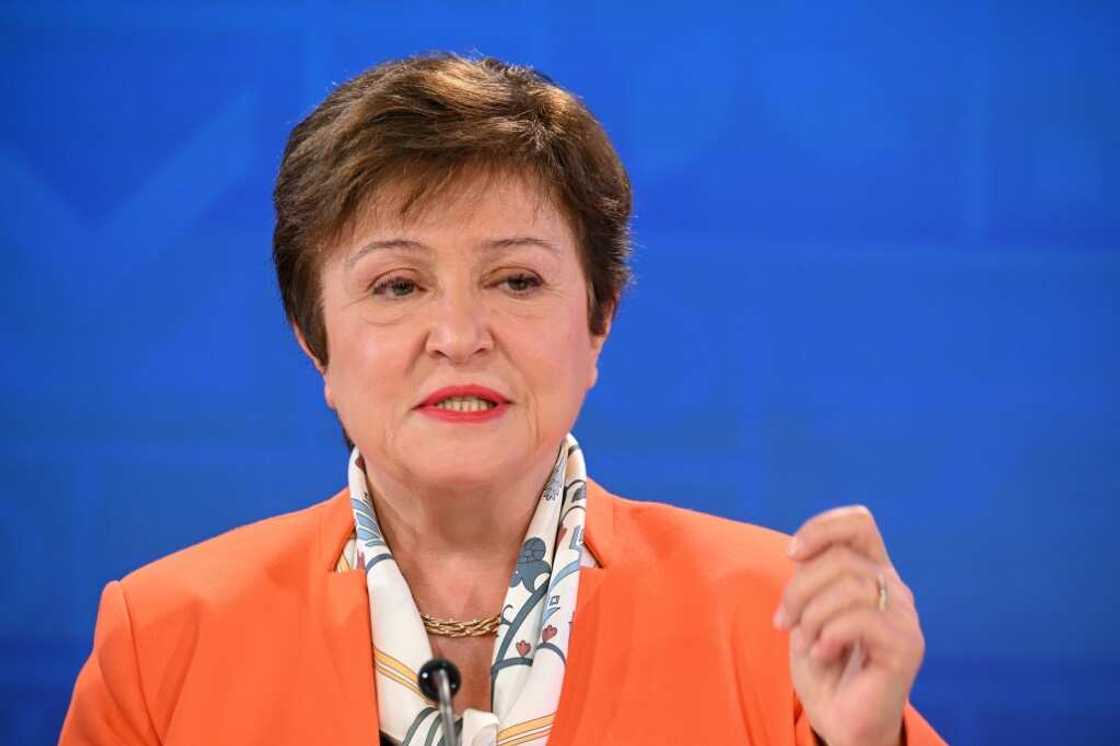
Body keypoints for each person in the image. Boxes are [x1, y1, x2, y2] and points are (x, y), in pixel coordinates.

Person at [60, 53, 945, 746]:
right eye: (398, 286)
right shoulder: (163, 637)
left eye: (517, 279)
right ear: (314, 335)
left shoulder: (773, 623)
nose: (458, 334)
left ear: (597, 321)